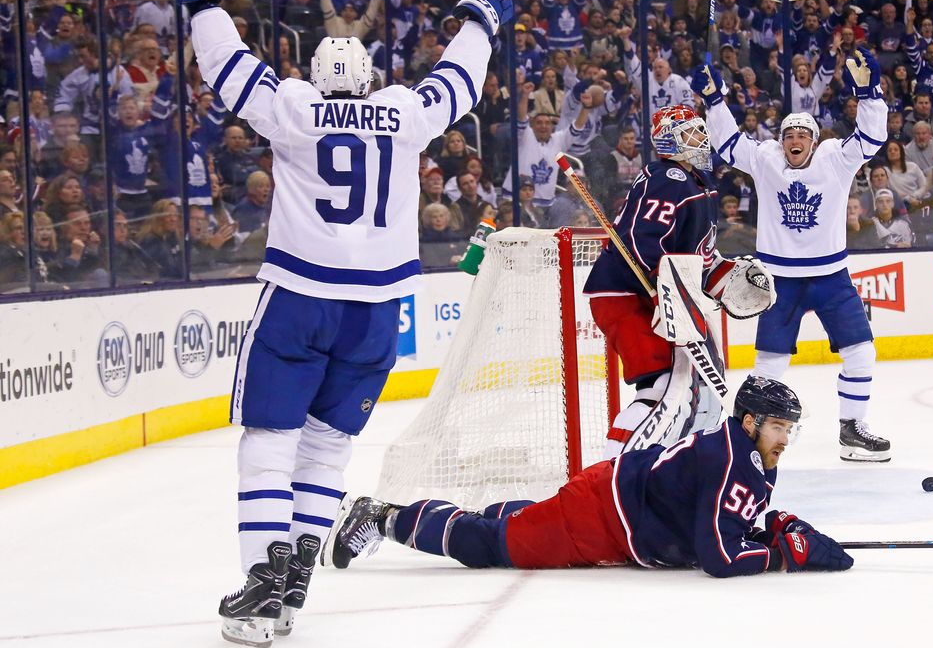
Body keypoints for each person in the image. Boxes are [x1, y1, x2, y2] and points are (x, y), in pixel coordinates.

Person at [150, 0, 513, 647]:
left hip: (300, 296)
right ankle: (299, 569)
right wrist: (480, 22)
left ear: (319, 75)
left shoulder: (293, 106)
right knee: (327, 446)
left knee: (268, 439)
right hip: (378, 311)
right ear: (371, 80)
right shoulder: (404, 112)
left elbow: (227, 67)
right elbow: (459, 84)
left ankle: (262, 582)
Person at [324, 377, 853, 578]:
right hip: (601, 513)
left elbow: (718, 525)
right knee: (497, 547)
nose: (784, 436)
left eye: (790, 428)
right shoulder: (730, 458)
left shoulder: (752, 458)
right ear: (750, 422)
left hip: (613, 507)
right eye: (778, 426)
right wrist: (776, 553)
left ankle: (493, 516)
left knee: (520, 524)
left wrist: (768, 529)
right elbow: (717, 557)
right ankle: (385, 518)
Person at [698, 46, 892, 462]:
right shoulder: (766, 159)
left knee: (862, 353)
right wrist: (714, 102)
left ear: (815, 139)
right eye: (788, 135)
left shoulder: (835, 158)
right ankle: (744, 439)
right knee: (769, 365)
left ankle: (852, 430)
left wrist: (871, 92)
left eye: (802, 135)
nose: (795, 141)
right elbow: (729, 144)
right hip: (778, 281)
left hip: (831, 278)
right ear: (780, 141)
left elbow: (874, 138)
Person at [583, 103, 773, 459]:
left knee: (691, 387)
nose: (701, 139)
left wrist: (726, 277)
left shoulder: (700, 184)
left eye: (702, 132)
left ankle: (669, 463)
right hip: (625, 294)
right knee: (658, 386)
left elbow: (697, 258)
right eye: (690, 134)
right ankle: (610, 472)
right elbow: (642, 239)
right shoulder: (666, 178)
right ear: (669, 142)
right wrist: (664, 289)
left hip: (661, 296)